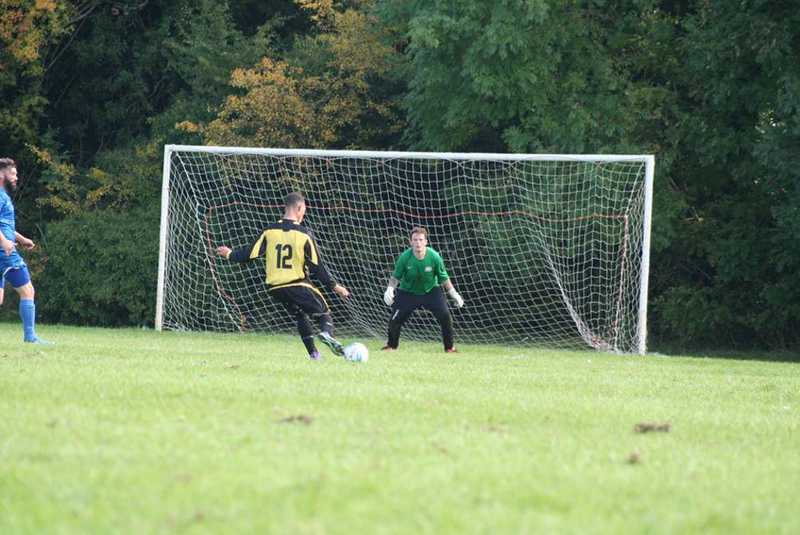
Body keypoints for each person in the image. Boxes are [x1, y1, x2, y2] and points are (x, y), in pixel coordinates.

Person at [215, 192, 350, 360]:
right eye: (304, 210)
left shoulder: (269, 231)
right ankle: (326, 334)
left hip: (275, 288)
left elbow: (249, 254)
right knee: (324, 313)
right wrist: (335, 286)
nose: (303, 214)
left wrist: (230, 254)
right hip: (298, 285)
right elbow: (317, 267)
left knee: (300, 315)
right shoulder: (304, 233)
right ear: (299, 208)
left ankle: (314, 354)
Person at [382, 226, 464, 353]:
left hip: (431, 291)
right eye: (415, 240)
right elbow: (395, 276)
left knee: (445, 316)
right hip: (408, 292)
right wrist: (389, 289)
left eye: (420, 240)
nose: (418, 243)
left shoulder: (434, 257)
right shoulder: (405, 257)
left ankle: (449, 348)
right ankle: (391, 346)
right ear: (410, 242)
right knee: (394, 319)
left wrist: (454, 294)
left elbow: (444, 277)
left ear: (426, 241)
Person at [0, 158, 51, 344]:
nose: (16, 177)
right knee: (27, 290)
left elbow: (4, 225)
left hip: (5, 247)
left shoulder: (3, 195)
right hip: (4, 252)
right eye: (12, 173)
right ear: (1, 174)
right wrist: (5, 242)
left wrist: (21, 239)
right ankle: (30, 337)